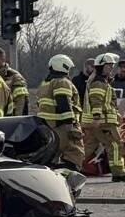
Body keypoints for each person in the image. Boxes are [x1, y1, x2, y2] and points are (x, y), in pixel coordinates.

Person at [35, 54, 85, 171]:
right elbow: (63, 103)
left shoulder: (45, 84)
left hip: (47, 126)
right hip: (62, 126)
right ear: (64, 67)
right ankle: (68, 182)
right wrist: (70, 125)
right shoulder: (62, 82)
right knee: (75, 155)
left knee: (52, 157)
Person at [83, 52, 125, 182]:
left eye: (112, 66)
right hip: (103, 122)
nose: (111, 68)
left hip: (99, 122)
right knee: (115, 145)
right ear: (101, 67)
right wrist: (97, 118)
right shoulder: (99, 82)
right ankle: (118, 174)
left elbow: (107, 102)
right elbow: (96, 101)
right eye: (108, 66)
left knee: (88, 148)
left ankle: (68, 168)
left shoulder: (102, 82)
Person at [0, 45, 28, 114]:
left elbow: (21, 102)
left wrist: (18, 122)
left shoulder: (15, 77)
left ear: (3, 60)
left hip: (10, 120)